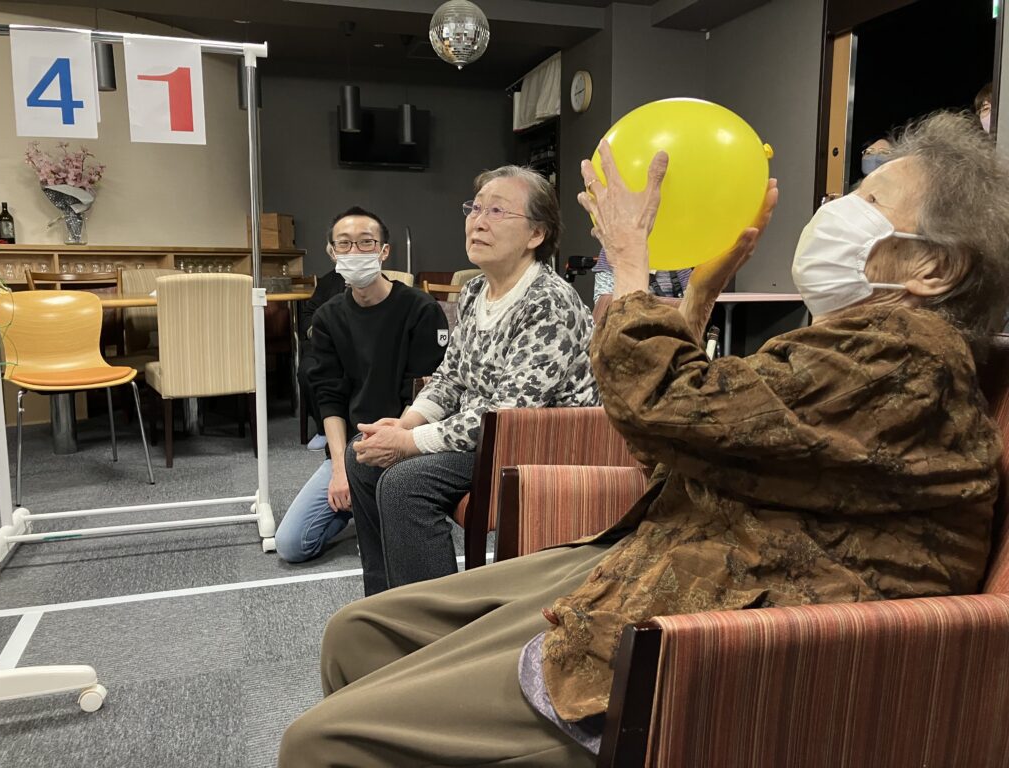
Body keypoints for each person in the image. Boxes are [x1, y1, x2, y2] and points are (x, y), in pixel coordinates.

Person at [279, 111, 1009, 767]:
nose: (836, 210)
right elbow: (685, 439)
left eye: (870, 202)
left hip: (721, 633)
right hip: (673, 554)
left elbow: (663, 408)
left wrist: (629, 262)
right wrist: (701, 292)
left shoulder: (904, 356)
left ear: (935, 267)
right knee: (358, 633)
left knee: (319, 744)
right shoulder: (857, 343)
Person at [343, 165, 600, 595]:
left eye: (497, 211)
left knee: (406, 484)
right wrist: (406, 424)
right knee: (362, 458)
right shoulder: (476, 290)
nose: (478, 222)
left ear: (536, 234)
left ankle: (439, 622)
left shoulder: (549, 301)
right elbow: (451, 376)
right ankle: (388, 606)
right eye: (475, 209)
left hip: (542, 445)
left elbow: (508, 414)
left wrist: (409, 442)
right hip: (486, 438)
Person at [274, 206, 448, 564]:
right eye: (344, 244)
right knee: (292, 544)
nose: (355, 252)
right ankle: (360, 505)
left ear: (384, 251)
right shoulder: (328, 317)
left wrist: (391, 447)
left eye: (366, 243)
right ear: (332, 252)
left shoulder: (420, 309)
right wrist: (341, 469)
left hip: (405, 444)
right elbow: (329, 397)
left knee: (389, 549)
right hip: (352, 449)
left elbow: (425, 395)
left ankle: (377, 506)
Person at [298, 269, 346, 452]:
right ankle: (324, 428)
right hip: (324, 345)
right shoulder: (329, 281)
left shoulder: (378, 282)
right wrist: (317, 332)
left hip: (359, 346)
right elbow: (307, 315)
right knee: (307, 371)